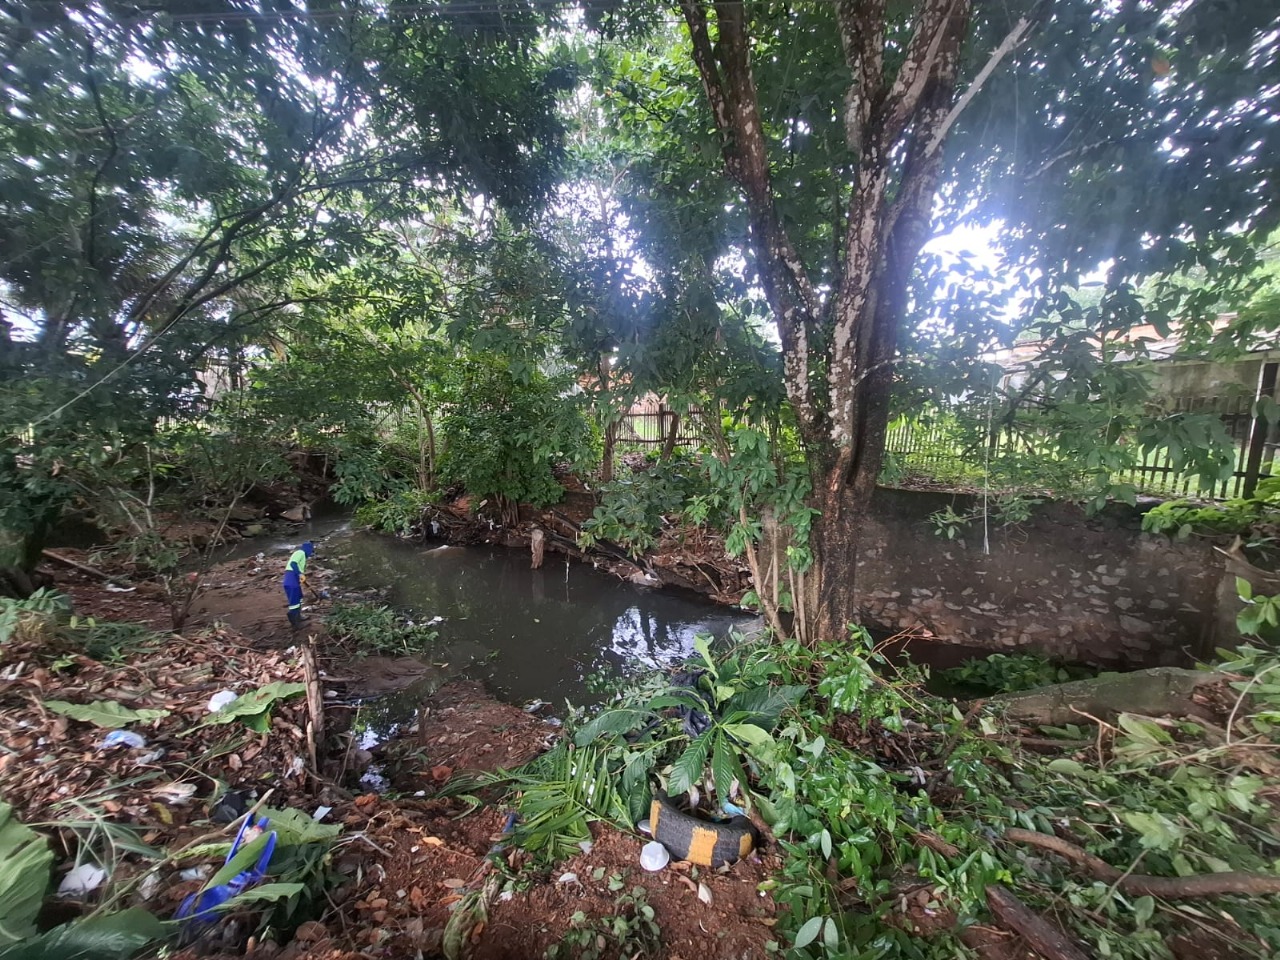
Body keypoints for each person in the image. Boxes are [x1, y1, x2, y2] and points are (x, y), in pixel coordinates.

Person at [282, 541, 314, 629]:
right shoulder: (300, 552)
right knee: (294, 602)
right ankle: (296, 624)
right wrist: (300, 574)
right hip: (291, 581)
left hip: (294, 580)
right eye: (311, 551)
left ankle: (299, 617)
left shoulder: (302, 555)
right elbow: (293, 564)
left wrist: (300, 576)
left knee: (299, 598)